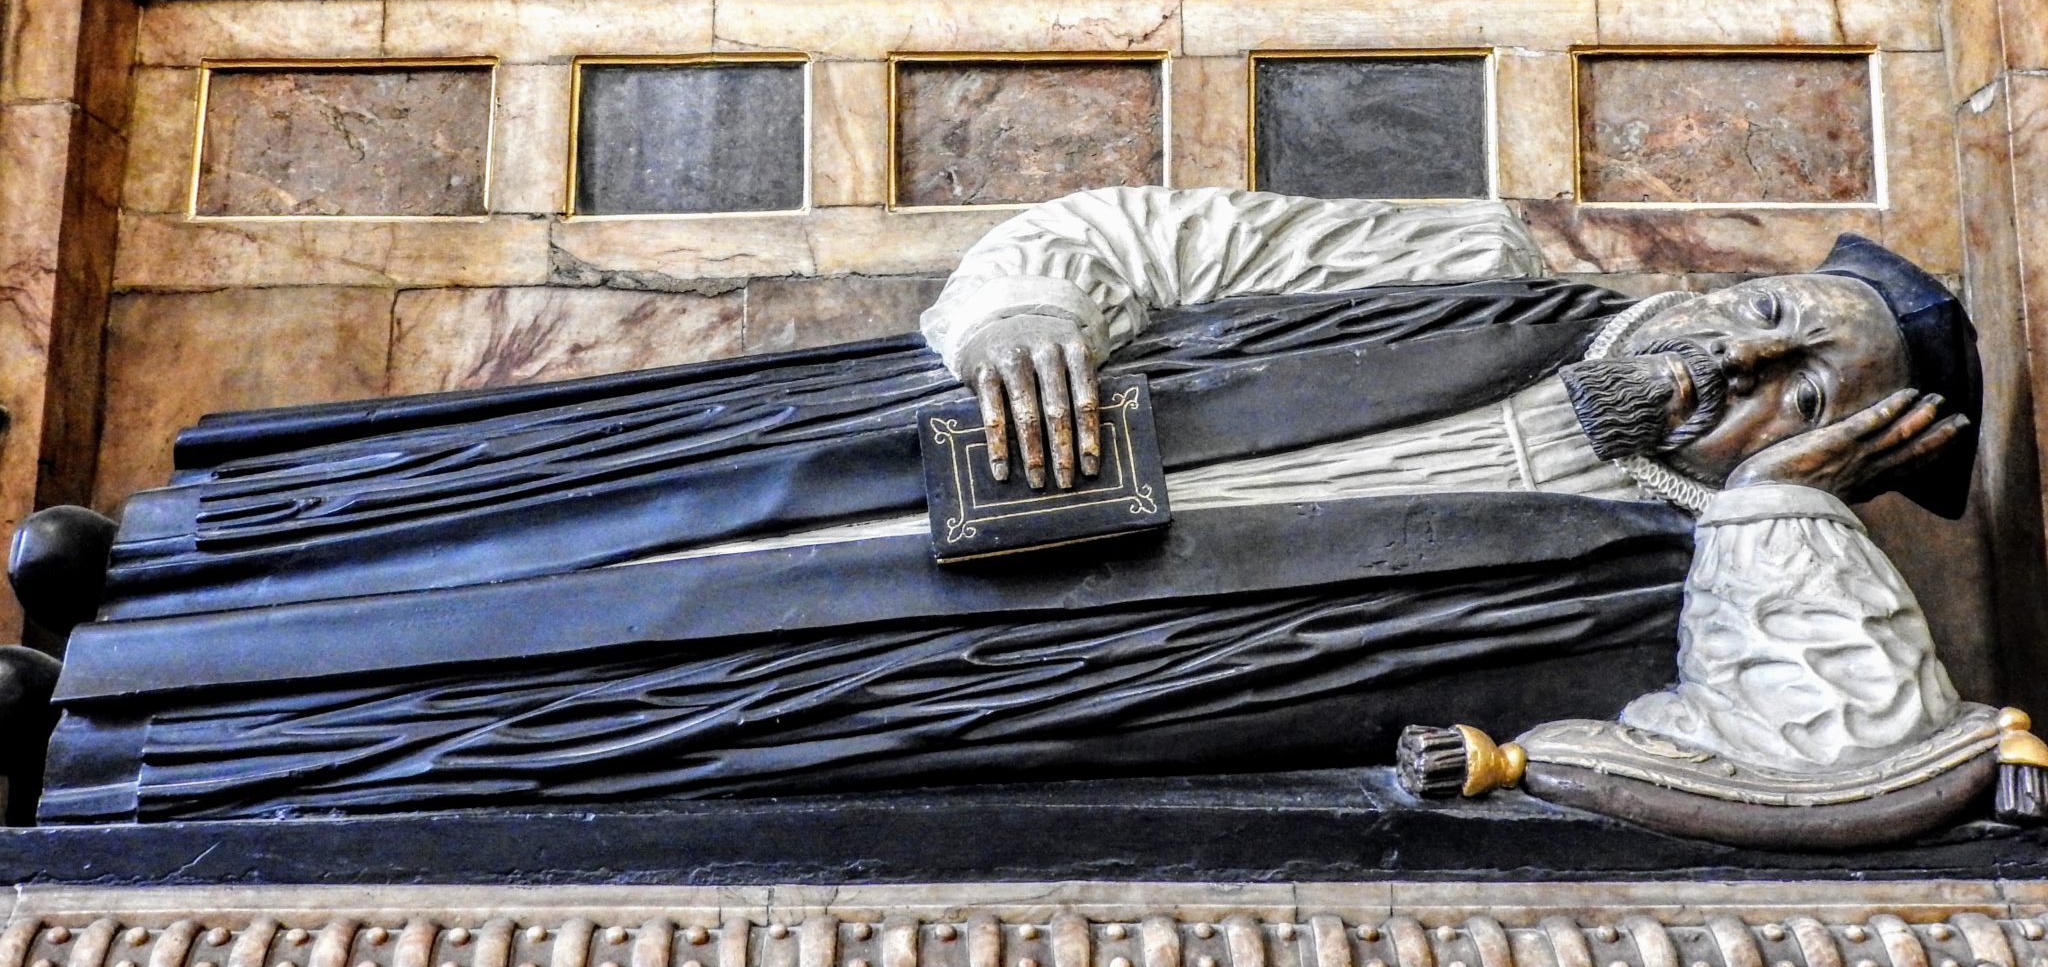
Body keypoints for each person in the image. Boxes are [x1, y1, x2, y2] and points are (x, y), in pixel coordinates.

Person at [13, 187, 1983, 823]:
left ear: (1846, 451)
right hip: (944, 446)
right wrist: (1037, 301)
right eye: (1757, 312)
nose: (1734, 370)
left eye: (1804, 394)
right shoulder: (1480, 259)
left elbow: (1830, 760)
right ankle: (172, 575)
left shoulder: (1708, 573)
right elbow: (1153, 224)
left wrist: (1778, 519)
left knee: (633, 677)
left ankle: (116, 730)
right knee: (627, 509)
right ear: (1710, 270)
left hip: (1043, 653)